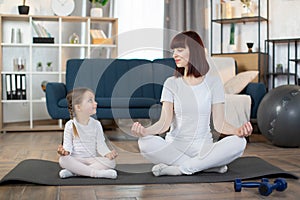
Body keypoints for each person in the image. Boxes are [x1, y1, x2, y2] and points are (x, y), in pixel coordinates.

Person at [131, 31, 253, 176]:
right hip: (174, 147)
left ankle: (181, 169)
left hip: (203, 148)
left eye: (180, 50)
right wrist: (145, 132)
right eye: (174, 51)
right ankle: (206, 166)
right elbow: (164, 122)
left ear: (195, 51)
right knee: (144, 142)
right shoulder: (171, 83)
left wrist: (238, 131)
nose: (174, 55)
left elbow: (220, 124)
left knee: (239, 142)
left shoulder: (213, 82)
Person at [57, 87, 118, 179]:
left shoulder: (96, 124)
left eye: (94, 100)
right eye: (90, 100)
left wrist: (108, 153)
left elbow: (101, 145)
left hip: (91, 160)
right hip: (75, 159)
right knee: (63, 160)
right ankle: (97, 173)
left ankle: (75, 172)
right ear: (78, 107)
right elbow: (67, 146)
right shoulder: (70, 125)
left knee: (111, 162)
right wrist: (64, 152)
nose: (95, 103)